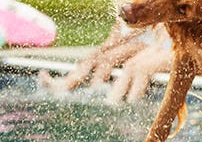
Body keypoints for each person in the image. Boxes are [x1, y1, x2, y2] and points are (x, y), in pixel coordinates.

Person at [37, 21, 173, 103]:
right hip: (127, 45)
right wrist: (104, 47)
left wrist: (109, 46)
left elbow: (135, 33)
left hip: (140, 44)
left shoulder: (143, 4)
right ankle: (70, 84)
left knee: (109, 58)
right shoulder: (122, 8)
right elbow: (114, 34)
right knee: (94, 57)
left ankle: (98, 90)